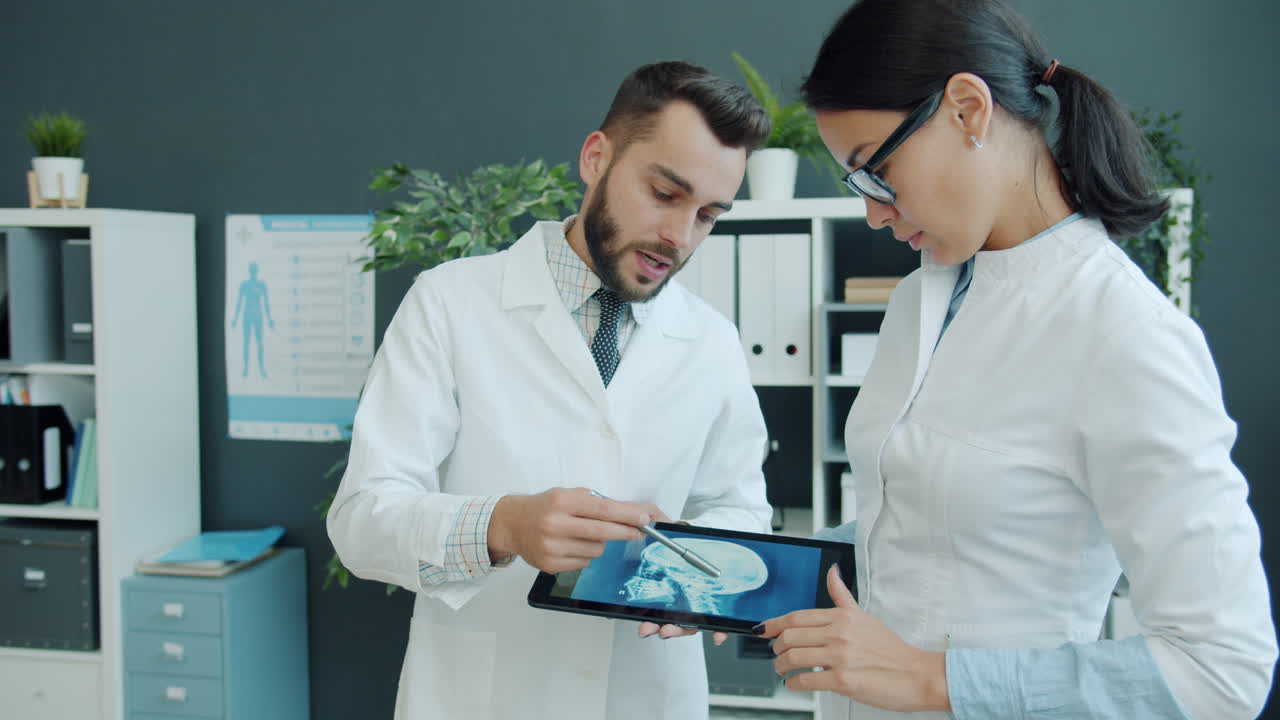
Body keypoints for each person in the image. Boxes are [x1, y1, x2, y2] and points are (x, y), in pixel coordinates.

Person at [752, 1, 1277, 718]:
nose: (873, 211)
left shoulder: (1125, 333)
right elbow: (914, 524)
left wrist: (929, 678)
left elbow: (1222, 670)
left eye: (876, 170)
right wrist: (741, 576)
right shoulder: (920, 300)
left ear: (968, 109)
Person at [326, 61, 773, 720]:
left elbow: (739, 509)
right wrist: (502, 526)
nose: (680, 238)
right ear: (596, 159)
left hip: (645, 696)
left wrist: (699, 575)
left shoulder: (712, 340)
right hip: (487, 698)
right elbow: (362, 520)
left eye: (708, 215)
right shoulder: (449, 303)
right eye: (663, 193)